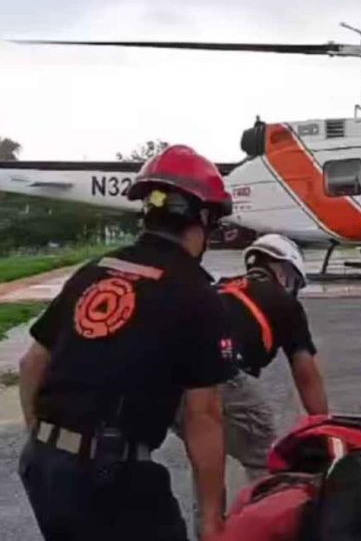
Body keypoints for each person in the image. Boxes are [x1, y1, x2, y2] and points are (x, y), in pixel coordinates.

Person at [17, 145, 236, 541]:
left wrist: (49, 447)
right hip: (112, 478)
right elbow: (204, 416)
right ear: (203, 218)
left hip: (45, 467)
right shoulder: (195, 294)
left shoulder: (95, 271)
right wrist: (211, 520)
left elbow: (31, 364)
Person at [207, 233, 330, 480]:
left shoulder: (222, 286)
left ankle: (210, 519)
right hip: (225, 372)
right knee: (266, 459)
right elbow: (306, 374)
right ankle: (265, 516)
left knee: (206, 457)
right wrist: (323, 426)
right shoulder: (284, 302)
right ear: (284, 270)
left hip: (179, 377)